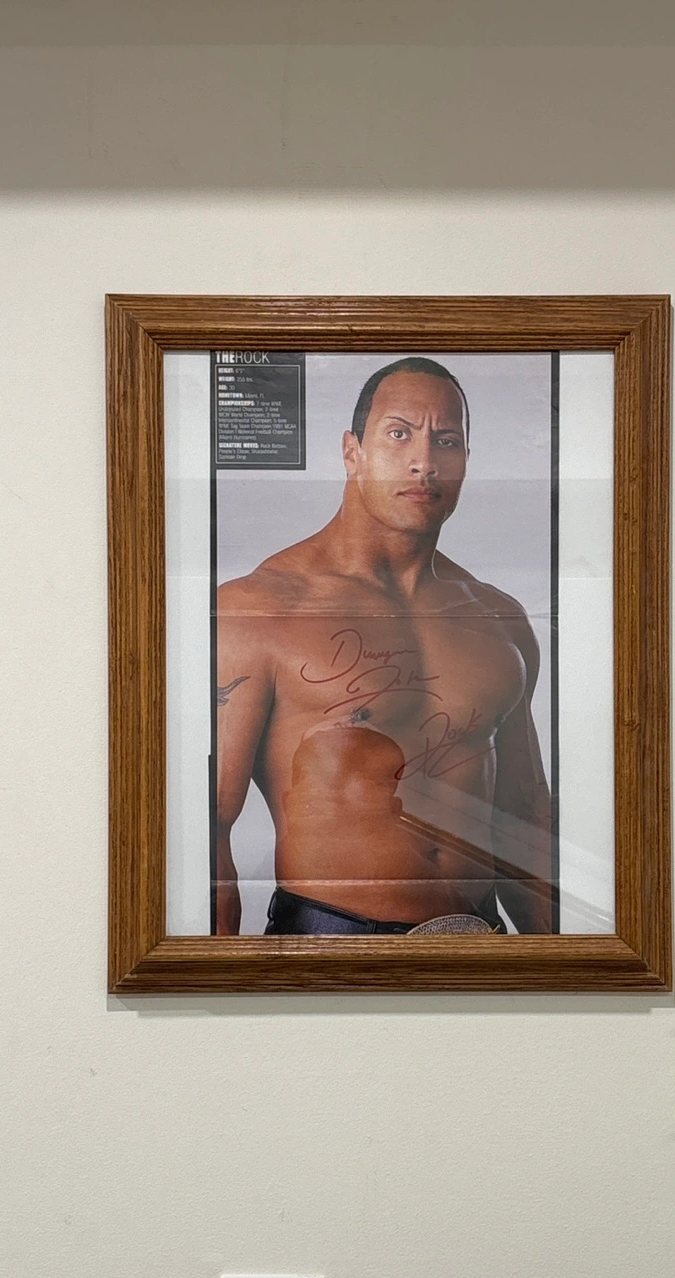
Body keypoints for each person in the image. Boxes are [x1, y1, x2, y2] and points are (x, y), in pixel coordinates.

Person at [215, 356, 554, 935]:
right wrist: (217, 977)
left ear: (466, 460)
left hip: (481, 942)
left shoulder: (498, 618)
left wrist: (556, 967)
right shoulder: (259, 608)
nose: (424, 462)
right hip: (332, 943)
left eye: (446, 440)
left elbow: (525, 815)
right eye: (399, 434)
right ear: (353, 451)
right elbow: (208, 829)